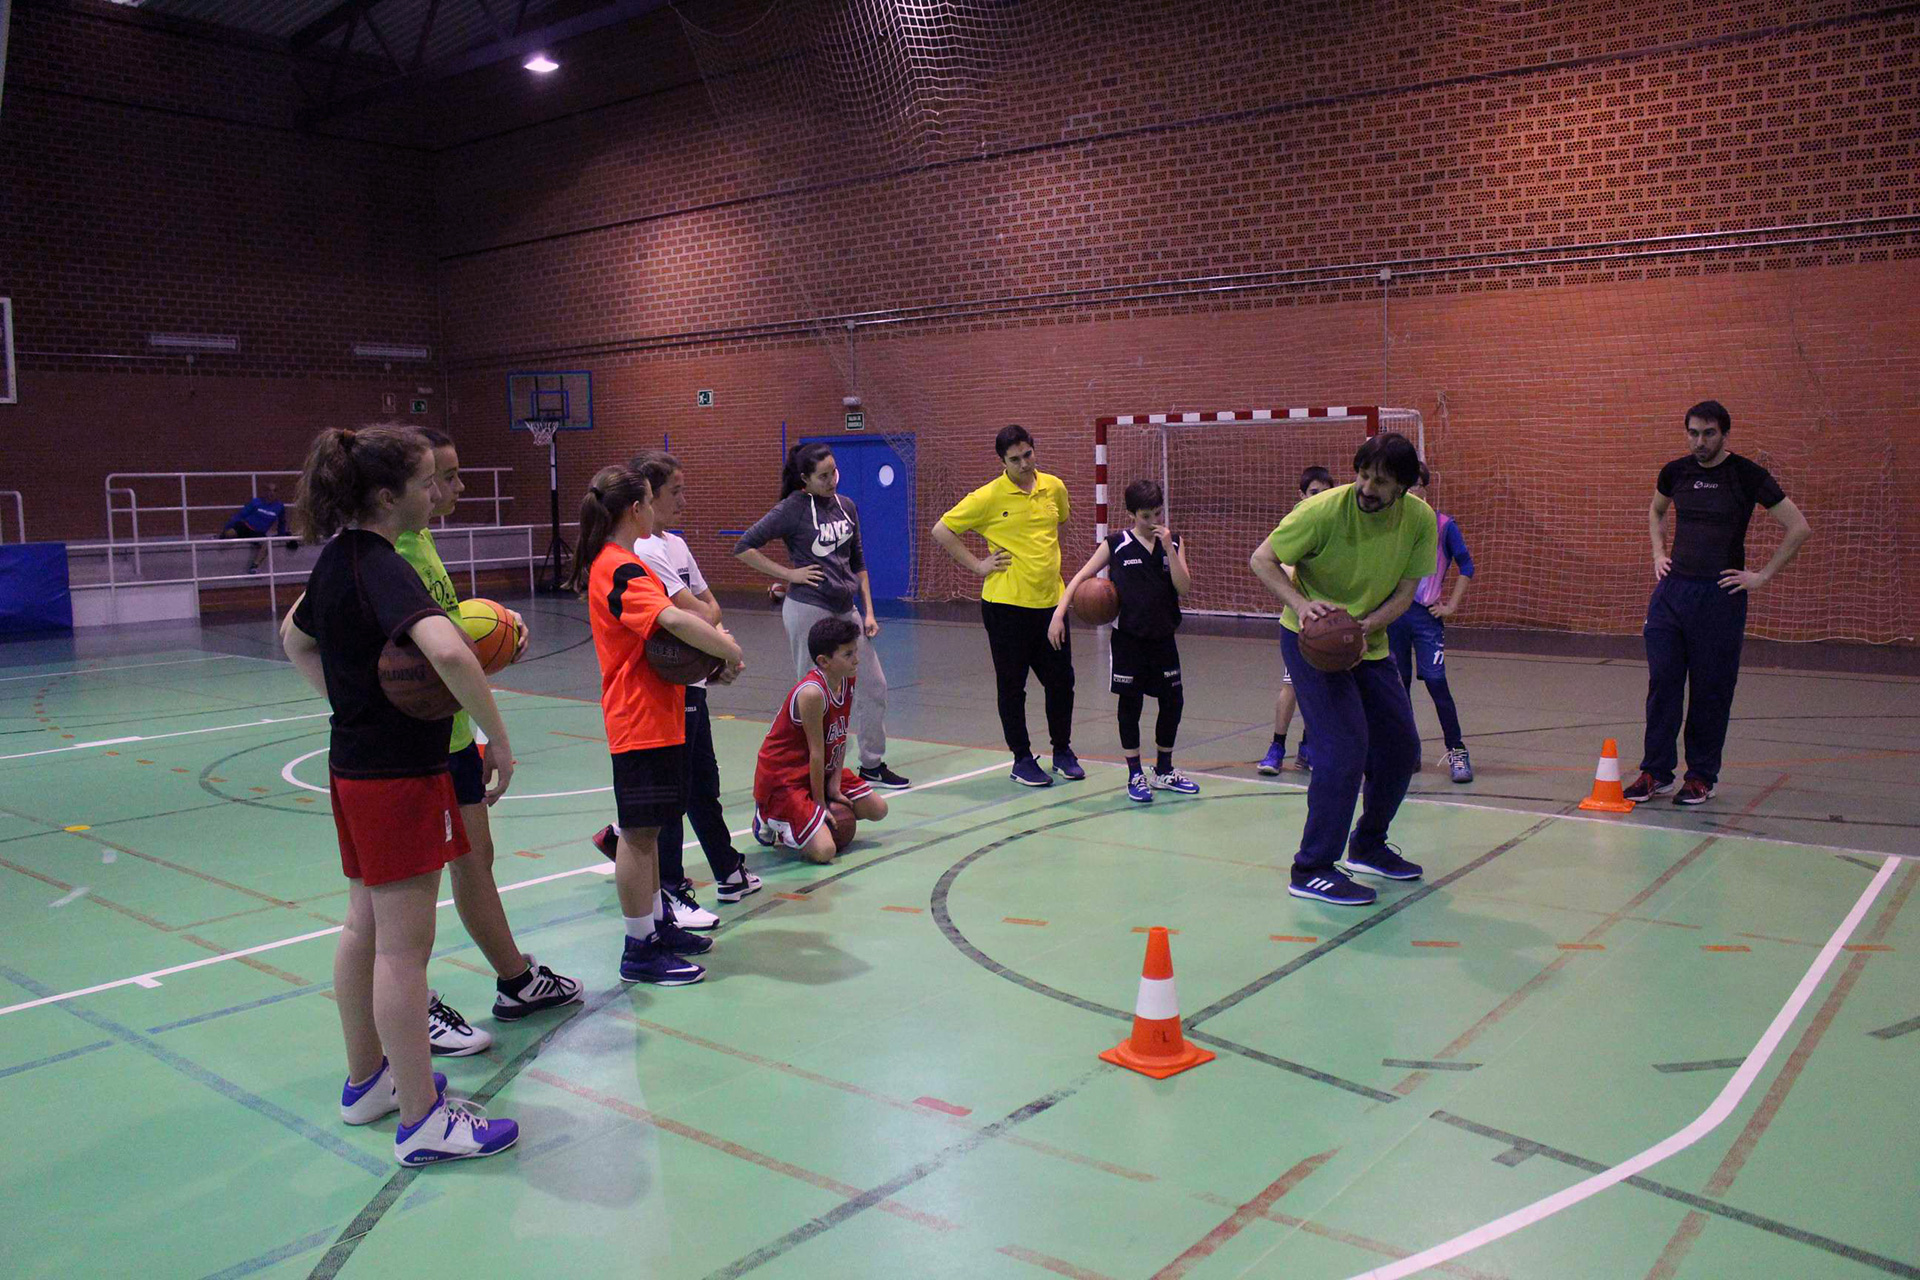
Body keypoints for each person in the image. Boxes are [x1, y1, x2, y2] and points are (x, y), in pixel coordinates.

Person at [279, 425, 519, 1165]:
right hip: (398, 779)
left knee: (365, 929)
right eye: (425, 483)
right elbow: (447, 648)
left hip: (353, 766)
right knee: (404, 952)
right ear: (389, 497)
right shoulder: (384, 565)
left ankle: (369, 1083)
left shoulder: (334, 560)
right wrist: (496, 737)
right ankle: (423, 1119)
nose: (435, 493)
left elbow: (294, 637)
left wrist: (348, 707)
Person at [394, 427, 579, 1055]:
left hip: (451, 732)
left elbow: (446, 635)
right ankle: (411, 1008)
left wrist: (494, 634)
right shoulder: (384, 551)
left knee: (476, 857)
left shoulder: (421, 539)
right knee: (401, 894)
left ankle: (516, 980)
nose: (458, 487)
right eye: (443, 477)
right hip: (412, 745)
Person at [572, 466, 745, 985]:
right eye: (650, 501)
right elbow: (671, 619)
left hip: (658, 712)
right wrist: (727, 651)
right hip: (637, 716)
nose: (656, 510)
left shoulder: (623, 562)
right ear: (634, 510)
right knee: (639, 836)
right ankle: (638, 948)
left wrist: (711, 664)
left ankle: (656, 926)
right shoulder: (617, 567)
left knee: (647, 833)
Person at [1249, 432, 1435, 907]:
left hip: (1366, 642)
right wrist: (1303, 605)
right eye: (1364, 475)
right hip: (1311, 641)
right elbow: (1262, 559)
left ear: (1403, 488)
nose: (1368, 488)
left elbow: (1406, 591)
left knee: (1399, 747)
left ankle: (1368, 845)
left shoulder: (1419, 520)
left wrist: (1365, 628)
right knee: (1343, 748)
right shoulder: (1322, 511)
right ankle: (1310, 867)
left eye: (1382, 482)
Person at [1624, 400, 1812, 805]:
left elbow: (1798, 527)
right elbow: (1656, 512)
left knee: (1711, 691)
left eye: (1708, 433)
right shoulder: (1675, 471)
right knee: (1663, 684)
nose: (1699, 441)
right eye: (1693, 432)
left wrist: (1761, 576)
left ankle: (1701, 777)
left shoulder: (1747, 476)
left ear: (1724, 434)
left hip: (1720, 598)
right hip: (1671, 596)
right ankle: (1656, 772)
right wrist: (1658, 554)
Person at [734, 444, 908, 790]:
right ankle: (809, 770)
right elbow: (744, 546)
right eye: (823, 476)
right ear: (805, 479)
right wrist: (790, 574)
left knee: (873, 686)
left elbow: (857, 561)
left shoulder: (847, 507)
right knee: (815, 693)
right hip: (808, 608)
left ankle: (871, 764)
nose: (831, 481)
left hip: (846, 608)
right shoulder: (792, 510)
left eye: (834, 472)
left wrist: (869, 610)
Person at [931, 424, 1081, 787]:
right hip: (1006, 609)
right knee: (1012, 687)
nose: (1024, 464)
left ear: (1034, 450)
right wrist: (979, 566)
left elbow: (1060, 524)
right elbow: (942, 530)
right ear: (1003, 462)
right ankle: (1022, 759)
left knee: (1062, 681)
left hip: (1050, 606)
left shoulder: (1054, 487)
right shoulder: (987, 496)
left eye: (1027, 455)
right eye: (1014, 460)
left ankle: (1062, 751)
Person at [1049, 479, 1198, 804]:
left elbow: (1183, 587)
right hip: (1129, 640)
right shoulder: (1116, 543)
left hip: (1164, 639)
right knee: (1130, 705)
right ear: (1132, 514)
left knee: (1173, 702)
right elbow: (1080, 577)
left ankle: (1164, 770)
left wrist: (1171, 548)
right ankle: (1134, 774)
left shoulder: (1173, 543)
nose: (1153, 521)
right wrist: (1059, 614)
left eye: (1158, 513)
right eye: (1146, 515)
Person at [751, 616, 890, 864]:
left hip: (819, 770)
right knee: (825, 852)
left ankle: (805, 821)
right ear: (824, 661)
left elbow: (839, 738)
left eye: (855, 651)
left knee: (878, 809)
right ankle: (768, 814)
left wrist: (834, 786)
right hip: (785, 777)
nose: (856, 659)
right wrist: (820, 804)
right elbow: (817, 752)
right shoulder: (813, 693)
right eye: (848, 654)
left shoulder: (846, 679)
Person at [1386, 465, 1477, 784]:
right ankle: (1409, 751)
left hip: (1426, 618)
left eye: (1417, 486)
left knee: (1437, 684)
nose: (1412, 492)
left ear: (1427, 489)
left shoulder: (1443, 525)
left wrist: (1451, 604)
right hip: (1394, 616)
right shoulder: (1390, 524)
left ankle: (1457, 750)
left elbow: (1467, 565)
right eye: (1406, 487)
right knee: (1398, 687)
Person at [1259, 466, 1334, 774]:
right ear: (1302, 496)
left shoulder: (1333, 523)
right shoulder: (1296, 524)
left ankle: (1308, 745)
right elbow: (1283, 567)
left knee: (1323, 690)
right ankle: (1277, 746)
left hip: (1330, 620)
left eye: (1325, 493)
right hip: (1300, 621)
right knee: (1292, 685)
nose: (1320, 498)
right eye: (1314, 493)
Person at [220, 482, 294, 573]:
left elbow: (282, 522)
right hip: (245, 526)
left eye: (274, 491)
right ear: (265, 492)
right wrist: (228, 527)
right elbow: (241, 515)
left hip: (258, 533)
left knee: (266, 546)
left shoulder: (279, 507)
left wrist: (282, 535)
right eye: (269, 490)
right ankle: (220, 536)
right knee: (229, 534)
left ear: (278, 493)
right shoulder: (256, 502)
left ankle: (254, 567)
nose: (271, 493)